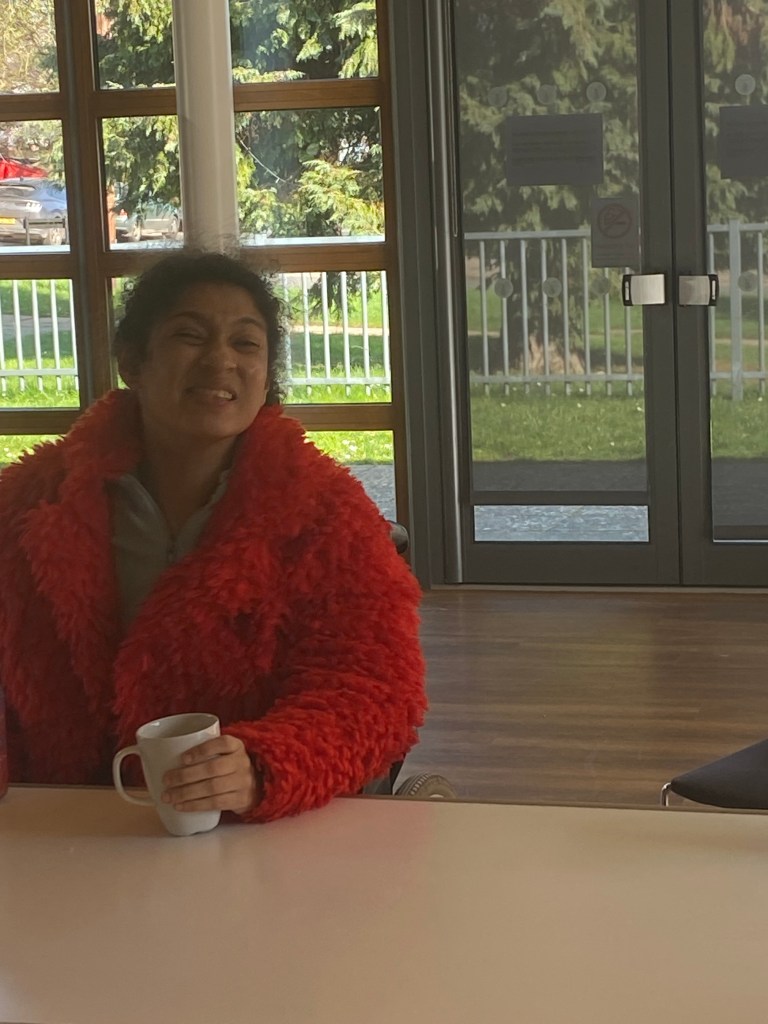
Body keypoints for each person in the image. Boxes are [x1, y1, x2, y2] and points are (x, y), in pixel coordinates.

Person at [0, 250, 427, 823]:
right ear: (133, 361)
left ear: (266, 374)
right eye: (190, 335)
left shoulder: (327, 517)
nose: (221, 360)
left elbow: (375, 692)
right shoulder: (25, 504)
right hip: (64, 830)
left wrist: (263, 766)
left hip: (253, 834)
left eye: (246, 343)